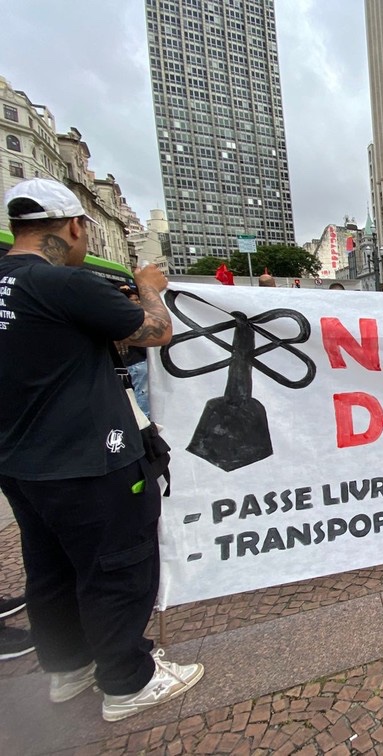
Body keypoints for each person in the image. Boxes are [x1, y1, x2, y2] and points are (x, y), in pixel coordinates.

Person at [0, 178, 203, 721]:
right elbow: (157, 332)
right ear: (73, 226)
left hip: (21, 465)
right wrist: (148, 284)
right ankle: (127, 680)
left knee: (50, 568)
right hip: (92, 457)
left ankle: (68, 669)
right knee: (117, 566)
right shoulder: (65, 284)